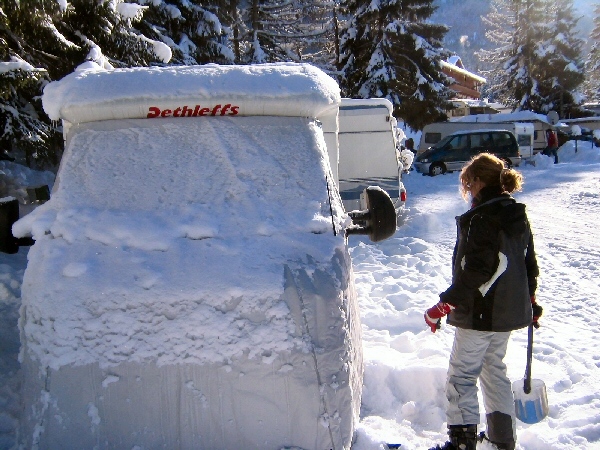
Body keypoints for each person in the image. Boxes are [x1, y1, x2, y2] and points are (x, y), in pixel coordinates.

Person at [424, 153, 542, 450]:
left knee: (461, 376)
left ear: (478, 181)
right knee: (493, 370)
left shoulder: (483, 217)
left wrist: (442, 306)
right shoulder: (514, 213)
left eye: (467, 182)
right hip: (508, 313)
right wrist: (531, 303)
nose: (467, 189)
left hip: (481, 312)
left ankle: (462, 444)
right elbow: (528, 263)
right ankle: (502, 441)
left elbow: (475, 271)